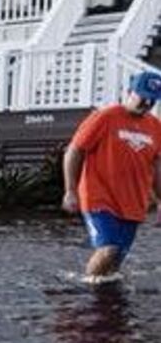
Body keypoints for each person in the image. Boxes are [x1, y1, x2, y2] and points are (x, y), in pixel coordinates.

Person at [62, 70, 161, 279]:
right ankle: (86, 291)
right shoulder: (105, 117)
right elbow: (75, 150)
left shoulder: (155, 127)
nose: (147, 103)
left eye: (153, 100)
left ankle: (105, 299)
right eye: (143, 96)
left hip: (133, 202)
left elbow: (157, 166)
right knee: (109, 249)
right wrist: (70, 190)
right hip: (100, 197)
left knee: (116, 260)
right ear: (130, 91)